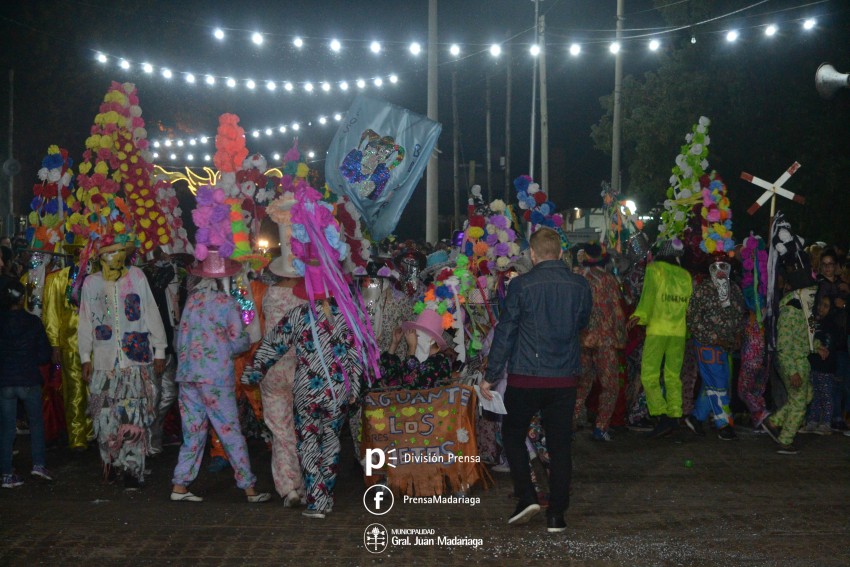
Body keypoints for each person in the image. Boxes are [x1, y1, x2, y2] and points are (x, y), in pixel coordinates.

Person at [480, 227, 592, 534]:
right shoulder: (580, 285)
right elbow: (582, 322)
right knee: (560, 445)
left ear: (532, 254)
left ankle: (527, 496)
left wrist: (491, 376)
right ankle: (556, 514)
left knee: (512, 434)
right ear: (560, 253)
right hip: (564, 376)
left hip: (526, 376)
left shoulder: (522, 285)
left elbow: (506, 331)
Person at [169, 250, 271, 503]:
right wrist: (237, 342)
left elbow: (181, 337)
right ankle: (249, 488)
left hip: (188, 374)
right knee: (229, 430)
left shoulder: (192, 301)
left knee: (193, 432)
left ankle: (180, 485)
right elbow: (239, 342)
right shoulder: (227, 304)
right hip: (215, 376)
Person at [78, 239, 167, 489]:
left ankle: (132, 469)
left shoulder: (137, 276)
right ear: (100, 258)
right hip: (104, 363)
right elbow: (85, 320)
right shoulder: (91, 283)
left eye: (117, 252)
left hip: (135, 361)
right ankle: (111, 463)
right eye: (108, 253)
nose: (113, 257)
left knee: (133, 417)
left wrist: (160, 349)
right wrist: (85, 356)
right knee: (105, 416)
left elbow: (150, 310)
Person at [628, 243, 693, 438]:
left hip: (658, 329)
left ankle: (661, 414)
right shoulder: (685, 275)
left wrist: (639, 315)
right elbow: (689, 305)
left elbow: (648, 295)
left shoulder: (654, 269)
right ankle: (674, 415)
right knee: (673, 376)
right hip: (679, 332)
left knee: (649, 374)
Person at [1, 281, 54, 488]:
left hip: (5, 381)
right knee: (36, 423)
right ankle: (39, 464)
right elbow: (44, 354)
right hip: (28, 379)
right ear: (23, 298)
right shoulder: (33, 322)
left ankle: (6, 473)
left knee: (7, 428)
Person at [684, 260, 745, 440]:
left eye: (724, 267)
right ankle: (724, 424)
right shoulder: (703, 289)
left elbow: (739, 314)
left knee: (716, 382)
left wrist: (737, 335)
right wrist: (713, 337)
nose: (720, 271)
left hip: (726, 345)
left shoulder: (734, 289)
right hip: (707, 344)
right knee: (718, 383)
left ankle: (696, 417)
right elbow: (692, 319)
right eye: (716, 267)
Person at [573, 243, 626, 442]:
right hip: (605, 339)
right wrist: (621, 337)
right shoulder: (608, 279)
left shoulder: (577, 278)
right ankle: (601, 427)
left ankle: (570, 423)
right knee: (610, 385)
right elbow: (617, 311)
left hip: (581, 338)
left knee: (580, 384)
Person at [762, 264, 818, 455]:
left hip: (800, 361)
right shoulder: (790, 311)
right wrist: (792, 371)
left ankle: (774, 421)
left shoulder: (804, 309)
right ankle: (785, 440)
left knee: (806, 396)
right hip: (793, 362)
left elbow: (805, 336)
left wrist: (818, 346)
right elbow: (784, 346)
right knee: (799, 403)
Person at [373, 310, 453, 391]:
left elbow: (411, 388)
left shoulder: (441, 361)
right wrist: (394, 344)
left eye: (417, 336)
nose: (412, 338)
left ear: (431, 339)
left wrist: (412, 347)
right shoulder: (418, 358)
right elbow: (388, 378)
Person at [802, 295, 838, 435]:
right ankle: (813, 420)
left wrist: (823, 350)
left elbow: (828, 345)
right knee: (814, 394)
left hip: (825, 367)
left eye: (826, 306)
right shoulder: (813, 321)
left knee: (826, 395)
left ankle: (826, 423)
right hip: (813, 365)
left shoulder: (831, 325)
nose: (821, 308)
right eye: (820, 304)